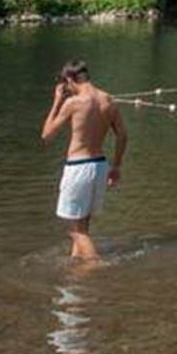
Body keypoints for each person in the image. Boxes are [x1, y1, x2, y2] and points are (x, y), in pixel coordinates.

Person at [40, 60, 128, 260]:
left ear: (70, 80)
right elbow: (122, 136)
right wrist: (117, 167)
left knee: (74, 231)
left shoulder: (73, 103)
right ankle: (77, 269)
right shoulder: (108, 100)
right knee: (83, 225)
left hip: (78, 167)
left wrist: (56, 101)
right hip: (100, 166)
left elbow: (46, 135)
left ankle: (95, 266)